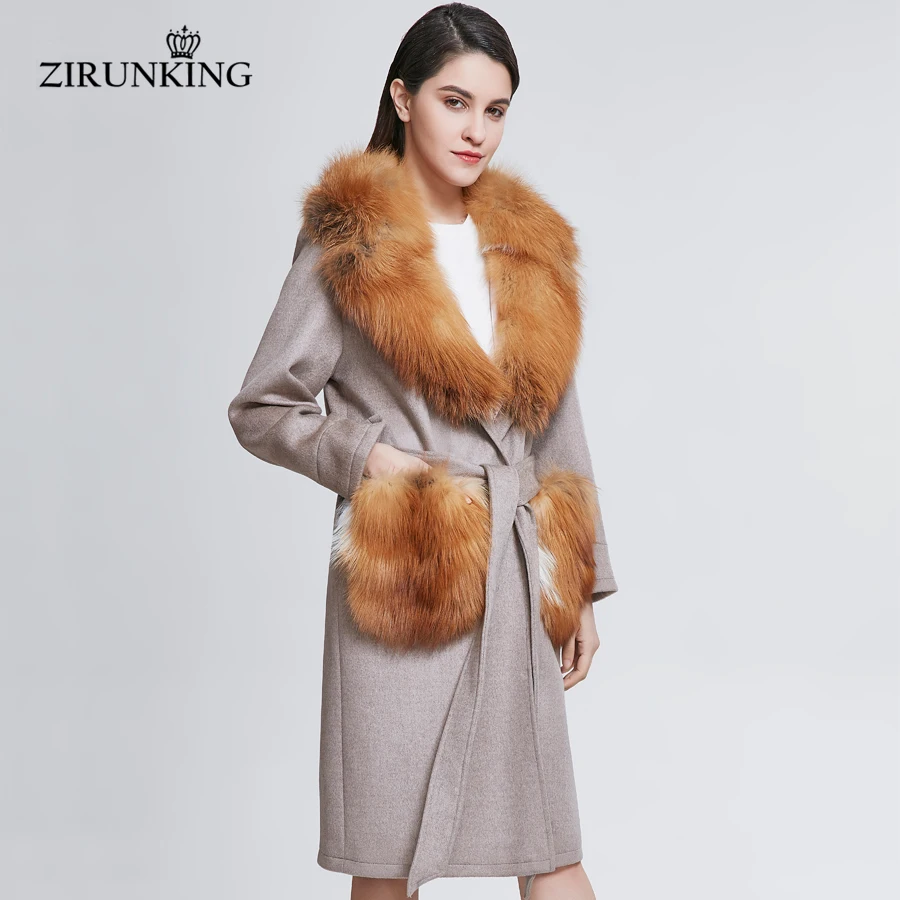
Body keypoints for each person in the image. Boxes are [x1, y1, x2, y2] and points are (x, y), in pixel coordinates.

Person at [227, 4, 619, 898]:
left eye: (496, 109)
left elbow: (557, 425)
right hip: (408, 578)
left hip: (514, 578)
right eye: (455, 101)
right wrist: (367, 456)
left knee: (551, 854)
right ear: (403, 99)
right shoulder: (349, 242)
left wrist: (579, 583)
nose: (477, 129)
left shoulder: (532, 244)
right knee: (388, 863)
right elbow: (262, 407)